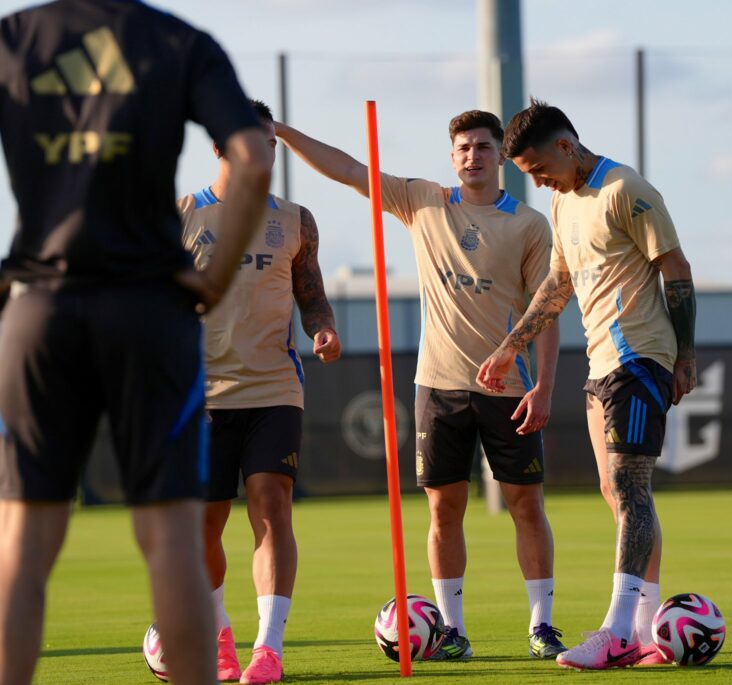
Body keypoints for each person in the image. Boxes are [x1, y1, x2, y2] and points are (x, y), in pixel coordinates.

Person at [0, 1, 272, 683]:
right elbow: (255, 159)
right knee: (171, 538)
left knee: (24, 543)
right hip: (152, 314)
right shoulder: (179, 41)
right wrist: (211, 279)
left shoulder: (14, 38)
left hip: (40, 310)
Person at [275, 110, 567, 660]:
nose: (472, 156)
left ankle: (542, 625)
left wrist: (544, 386)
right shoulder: (423, 201)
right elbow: (348, 170)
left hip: (509, 389)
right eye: (462, 148)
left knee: (527, 505)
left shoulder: (530, 224)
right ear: (452, 156)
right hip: (439, 386)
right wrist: (285, 134)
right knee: (443, 510)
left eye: (483, 147)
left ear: (501, 156)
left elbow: (545, 312)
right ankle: (451, 629)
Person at [477, 98, 697, 670]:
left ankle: (617, 630)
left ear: (567, 145)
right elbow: (558, 283)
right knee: (618, 492)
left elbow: (676, 270)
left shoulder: (625, 189)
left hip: (641, 357)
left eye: (538, 168)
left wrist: (685, 354)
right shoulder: (561, 202)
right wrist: (510, 346)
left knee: (629, 490)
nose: (538, 180)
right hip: (599, 365)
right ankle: (647, 634)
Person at [179, 99, 340, 684]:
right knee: (202, 525)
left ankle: (267, 649)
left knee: (272, 507)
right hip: (200, 396)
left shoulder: (296, 219)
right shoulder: (183, 214)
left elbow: (311, 293)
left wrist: (323, 326)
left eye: (270, 144)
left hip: (274, 387)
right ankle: (219, 635)